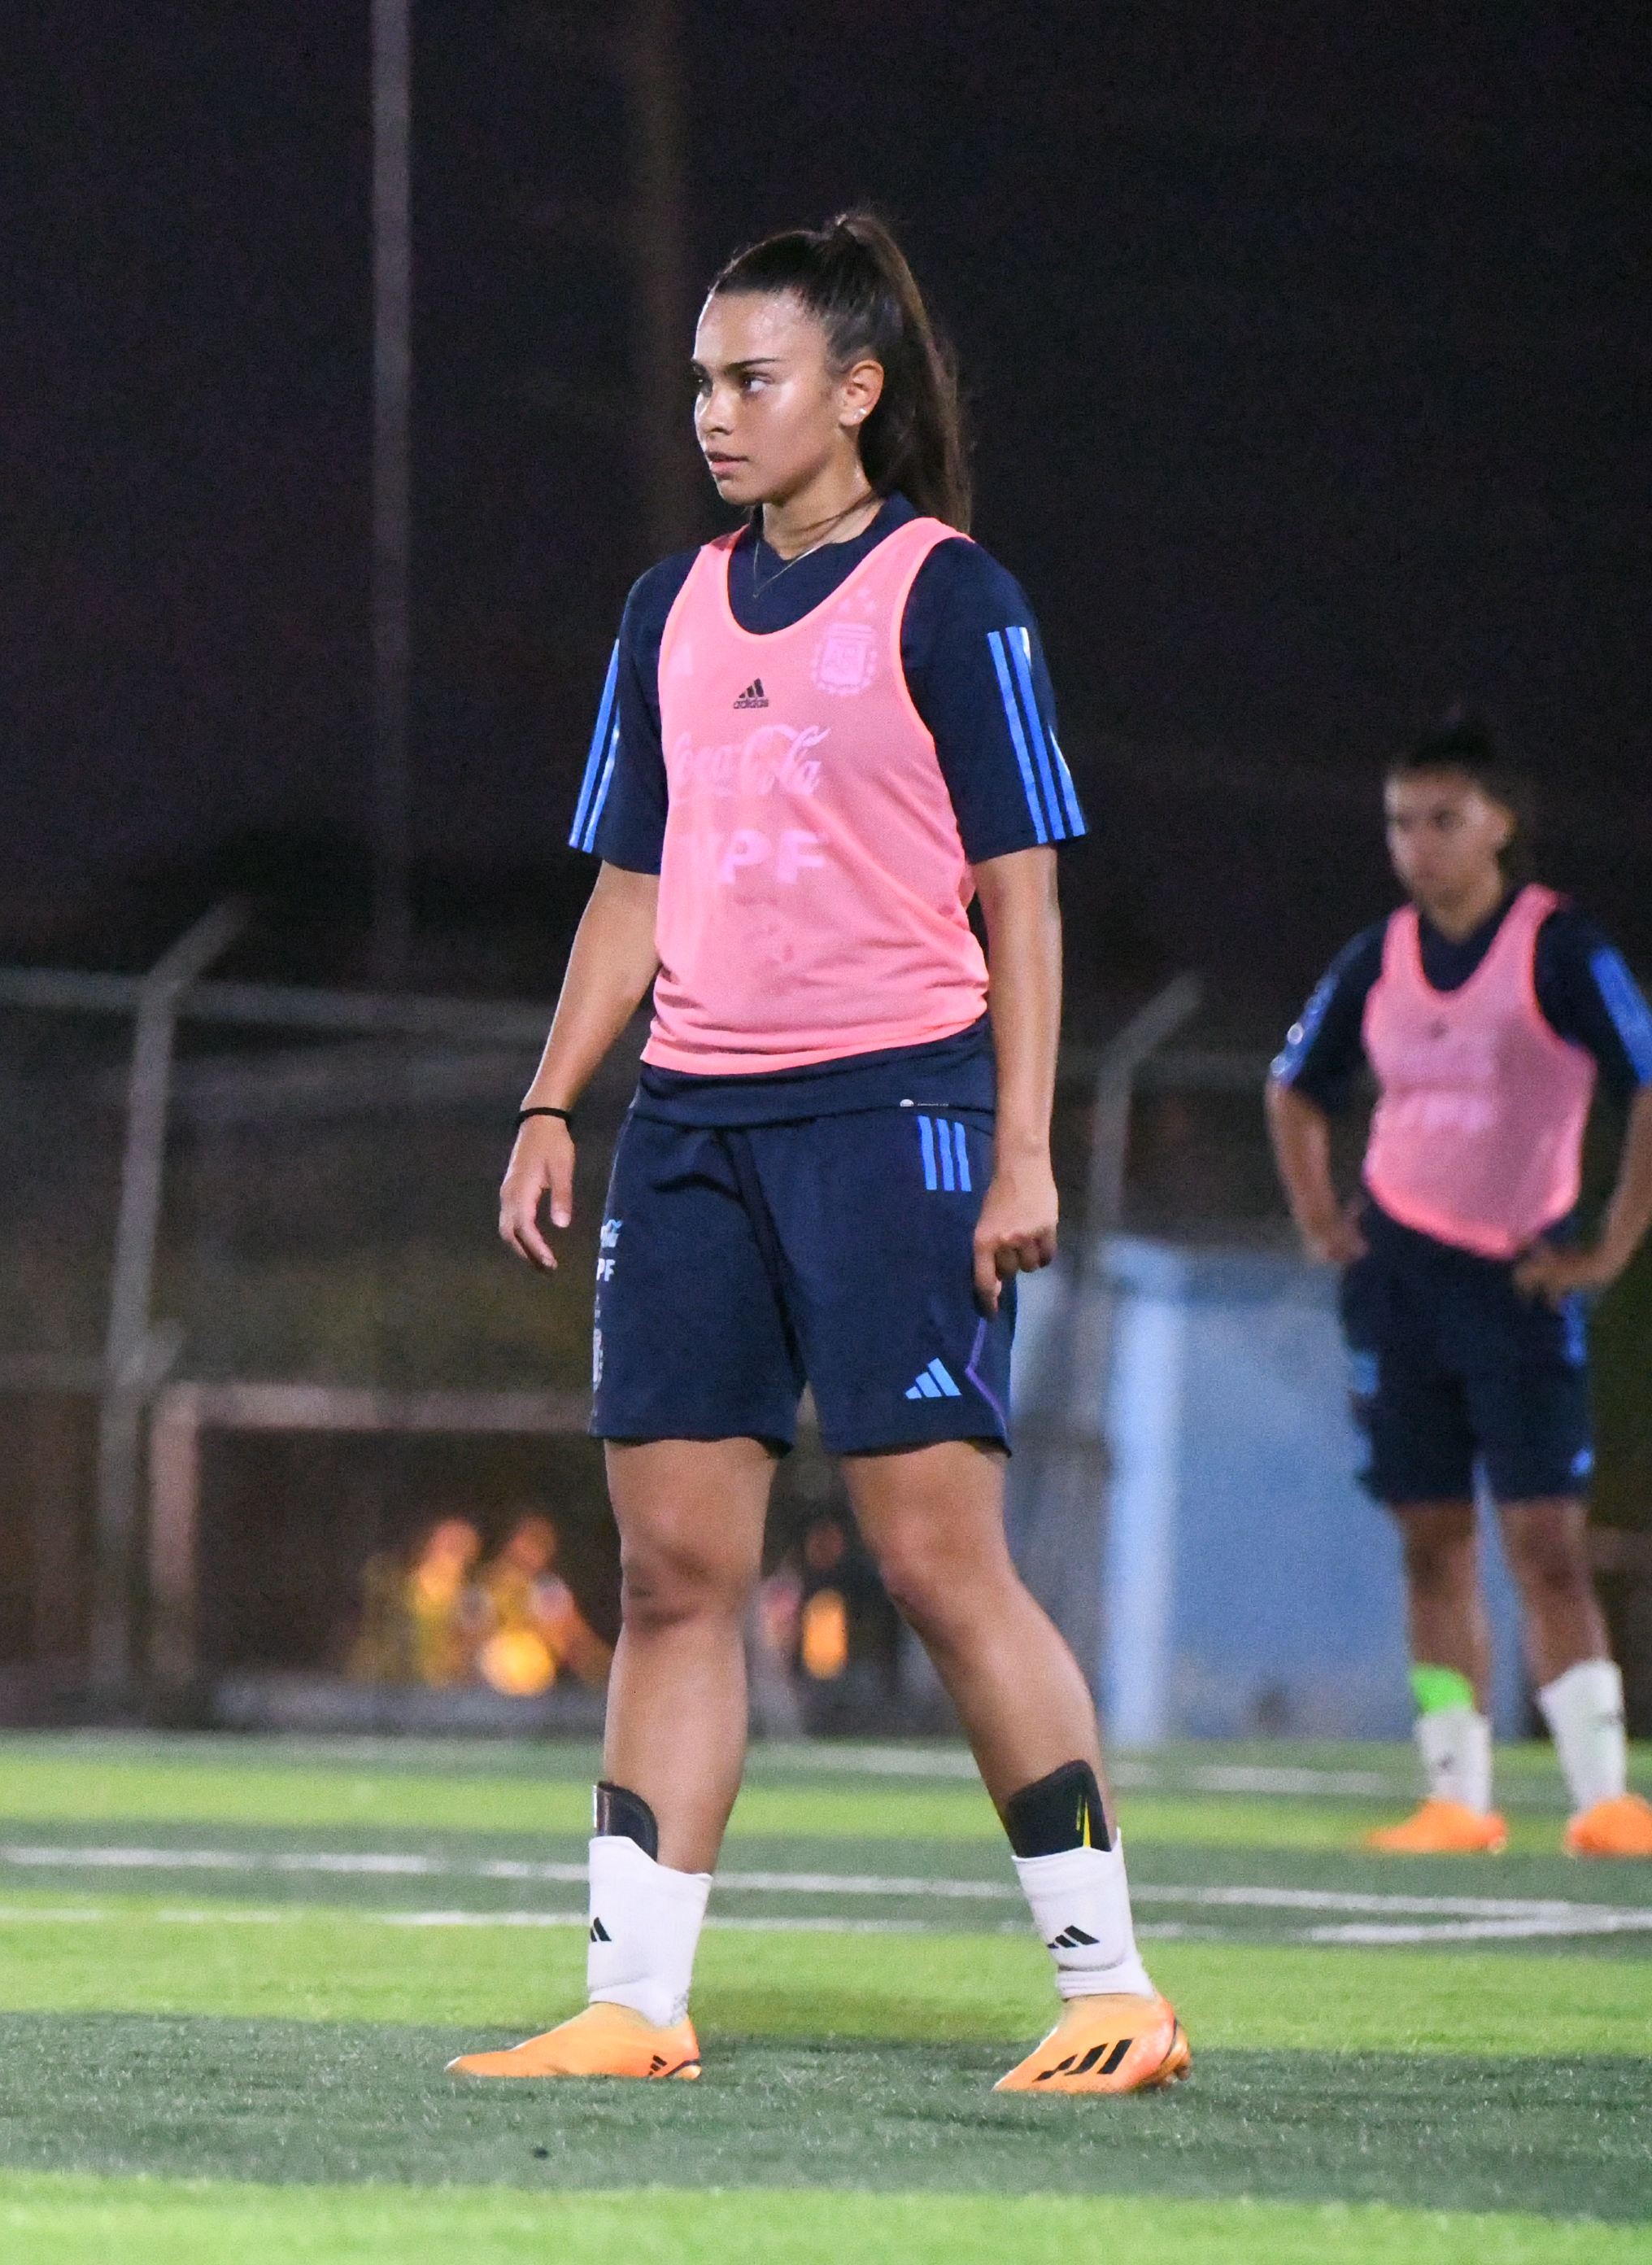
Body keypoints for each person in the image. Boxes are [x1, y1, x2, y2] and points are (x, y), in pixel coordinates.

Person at [456, 212, 1184, 2092]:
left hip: (899, 1114)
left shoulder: (953, 594)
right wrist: (552, 1097)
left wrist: (1023, 1150)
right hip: (694, 1125)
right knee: (674, 1573)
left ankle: (1111, 1985)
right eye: (702, 379)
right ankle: (635, 2001)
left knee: (940, 1560)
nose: (713, 411)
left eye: (751, 377)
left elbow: (1023, 894)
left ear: (855, 394)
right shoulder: (667, 610)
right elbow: (636, 876)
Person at [1266, 718, 1652, 1858]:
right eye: (1400, 821)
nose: (1417, 844)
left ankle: (1602, 1796)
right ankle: (1455, 1794)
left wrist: (1612, 1245)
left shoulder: (1560, 950)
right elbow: (1294, 1089)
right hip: (1399, 1284)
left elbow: (1645, 1076)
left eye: (1442, 819)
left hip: (1518, 1281)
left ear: (1501, 826)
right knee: (1430, 1541)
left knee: (1545, 1537)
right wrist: (1323, 1217)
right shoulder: (1375, 957)